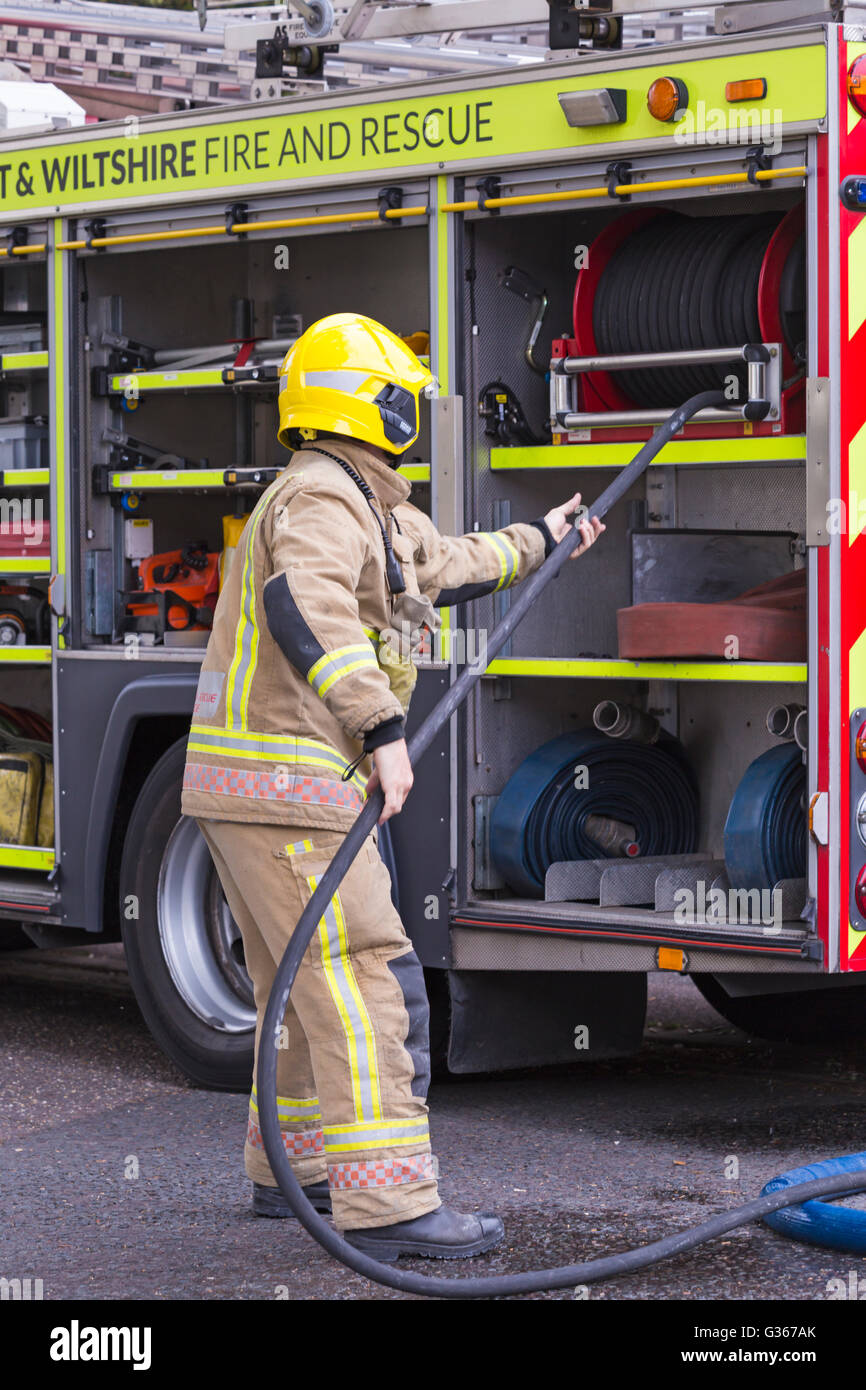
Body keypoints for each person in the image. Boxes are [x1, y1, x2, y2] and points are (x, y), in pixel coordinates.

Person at [182, 312, 604, 1261]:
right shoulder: (324, 501)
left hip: (259, 791)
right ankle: (393, 1202)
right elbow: (310, 605)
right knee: (370, 976)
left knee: (298, 987)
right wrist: (382, 728)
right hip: (292, 788)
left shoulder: (364, 499)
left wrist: (545, 535)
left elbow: (447, 564)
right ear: (375, 404)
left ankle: (297, 1171)